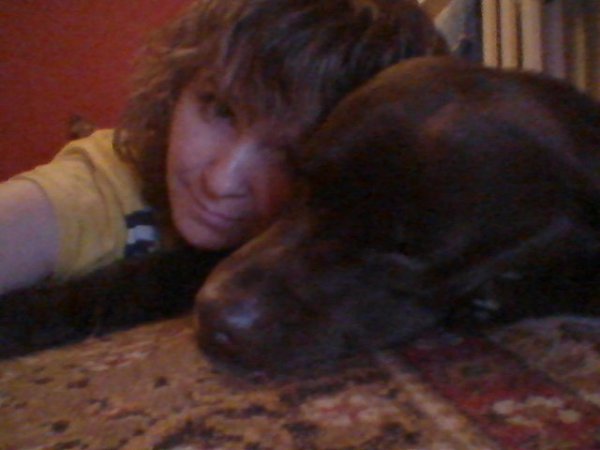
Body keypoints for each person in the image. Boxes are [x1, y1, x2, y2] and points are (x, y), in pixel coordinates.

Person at [0, 0, 447, 296]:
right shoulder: (104, 188)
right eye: (219, 109)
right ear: (178, 87)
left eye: (290, 154)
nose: (220, 182)